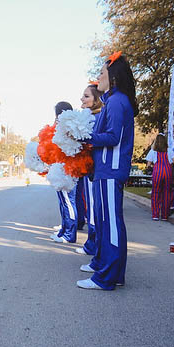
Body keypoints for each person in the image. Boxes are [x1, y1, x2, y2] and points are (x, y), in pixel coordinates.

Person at [77, 51, 137, 291]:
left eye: (102, 73)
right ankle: (108, 269)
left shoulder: (117, 101)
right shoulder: (114, 100)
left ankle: (107, 277)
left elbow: (113, 137)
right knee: (104, 222)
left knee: (110, 223)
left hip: (112, 170)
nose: (98, 77)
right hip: (105, 170)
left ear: (112, 77)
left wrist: (86, 137)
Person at [75, 83, 103, 257]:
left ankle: (93, 246)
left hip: (95, 169)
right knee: (91, 207)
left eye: (86, 96)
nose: (82, 99)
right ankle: (91, 244)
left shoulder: (95, 118)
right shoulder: (90, 117)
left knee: (93, 208)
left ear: (96, 100)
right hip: (89, 169)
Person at [50, 102, 78, 244]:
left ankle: (70, 234)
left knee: (68, 202)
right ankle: (64, 230)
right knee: (64, 201)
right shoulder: (63, 126)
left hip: (68, 169)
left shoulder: (70, 126)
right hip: (61, 168)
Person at [146, 133, 173, 221]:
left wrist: (149, 169)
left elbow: (148, 164)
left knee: (156, 193)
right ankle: (165, 216)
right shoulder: (169, 150)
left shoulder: (153, 151)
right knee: (166, 194)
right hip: (168, 172)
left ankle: (155, 215)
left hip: (157, 172)